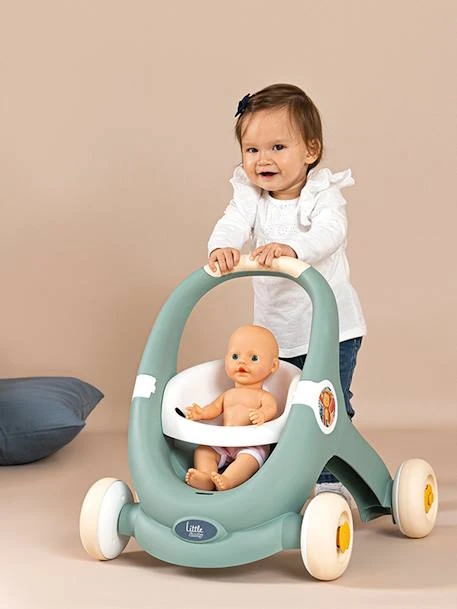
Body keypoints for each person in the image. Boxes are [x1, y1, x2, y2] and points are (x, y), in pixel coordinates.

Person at [207, 83, 366, 495]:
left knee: (324, 403)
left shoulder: (321, 195)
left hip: (330, 328)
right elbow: (232, 222)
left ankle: (330, 482)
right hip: (276, 333)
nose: (263, 160)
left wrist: (293, 249)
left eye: (277, 147)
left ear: (310, 150)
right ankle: (277, 478)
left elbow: (331, 232)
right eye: (252, 150)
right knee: (275, 407)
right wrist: (222, 246)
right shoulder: (251, 195)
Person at [185, 324, 279, 491]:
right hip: (223, 443)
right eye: (235, 356)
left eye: (254, 358)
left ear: (272, 366)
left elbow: (271, 408)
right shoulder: (227, 394)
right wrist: (201, 413)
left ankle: (228, 480)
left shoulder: (263, 396)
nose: (242, 361)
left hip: (251, 444)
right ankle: (206, 477)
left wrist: (262, 415)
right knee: (203, 451)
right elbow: (214, 408)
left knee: (248, 461)